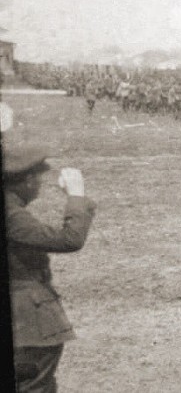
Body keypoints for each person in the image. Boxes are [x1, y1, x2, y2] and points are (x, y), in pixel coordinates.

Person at [5, 147, 97, 392]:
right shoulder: (12, 216)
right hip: (28, 324)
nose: (39, 185)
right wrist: (76, 195)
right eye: (37, 179)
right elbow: (69, 240)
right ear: (26, 181)